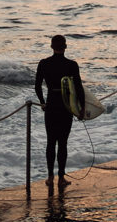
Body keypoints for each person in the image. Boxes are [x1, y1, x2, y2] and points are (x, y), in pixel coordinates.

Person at [34, 34, 84, 190]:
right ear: (65, 47)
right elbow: (79, 88)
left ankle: (50, 177)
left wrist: (42, 102)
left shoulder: (44, 63)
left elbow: (37, 86)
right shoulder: (71, 65)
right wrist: (81, 108)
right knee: (63, 143)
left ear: (51, 47)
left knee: (50, 142)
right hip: (65, 106)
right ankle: (61, 178)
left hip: (51, 106)